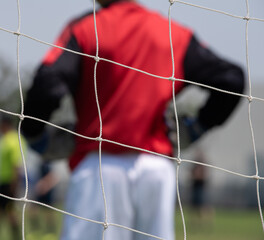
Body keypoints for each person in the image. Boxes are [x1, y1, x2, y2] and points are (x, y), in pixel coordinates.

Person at [22, 0, 245, 239]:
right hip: (156, 171)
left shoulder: (87, 28)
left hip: (99, 166)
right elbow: (231, 79)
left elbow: (47, 85)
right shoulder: (170, 32)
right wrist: (195, 127)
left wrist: (34, 133)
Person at [0, 115, 25, 240]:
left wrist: (14, 185)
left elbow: (16, 164)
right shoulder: (4, 139)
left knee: (10, 213)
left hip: (10, 183)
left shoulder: (14, 140)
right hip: (1, 182)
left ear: (5, 124)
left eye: (0, 124)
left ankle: (17, 237)